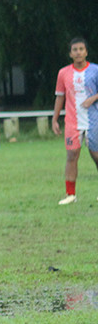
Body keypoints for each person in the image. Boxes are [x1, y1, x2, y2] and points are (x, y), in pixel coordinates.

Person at [52, 37, 98, 205]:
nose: (78, 52)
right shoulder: (63, 73)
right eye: (75, 50)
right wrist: (55, 119)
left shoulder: (95, 70)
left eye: (81, 49)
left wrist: (92, 99)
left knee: (96, 155)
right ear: (70, 53)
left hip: (94, 120)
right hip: (72, 121)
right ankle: (70, 194)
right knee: (71, 155)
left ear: (86, 52)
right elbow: (60, 97)